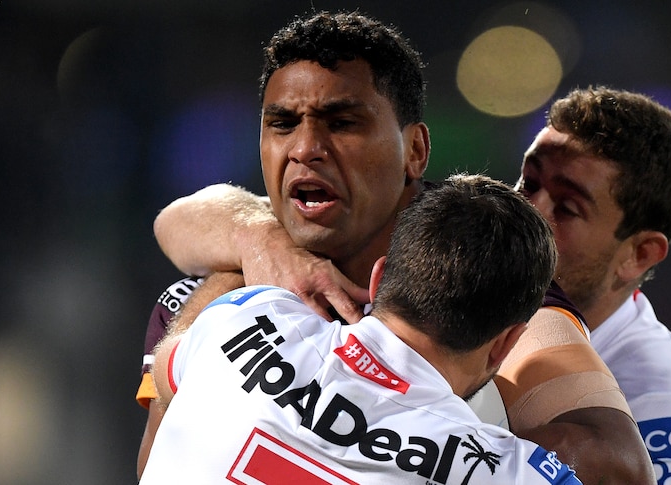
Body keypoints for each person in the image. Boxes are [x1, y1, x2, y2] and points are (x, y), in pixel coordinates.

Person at [138, 10, 653, 484]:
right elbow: (175, 223)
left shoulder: (485, 285)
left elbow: (617, 465)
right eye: (282, 123)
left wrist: (417, 452)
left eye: (343, 123)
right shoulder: (226, 284)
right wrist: (254, 240)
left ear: (416, 150)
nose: (304, 148)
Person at [139, 174, 582, 485]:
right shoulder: (512, 471)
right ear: (506, 342)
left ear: (379, 277)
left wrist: (234, 272)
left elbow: (167, 370)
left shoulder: (244, 318)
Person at [515, 86, 671, 483]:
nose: (527, 211)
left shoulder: (659, 410)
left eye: (567, 207)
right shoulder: (463, 287)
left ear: (638, 254)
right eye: (529, 182)